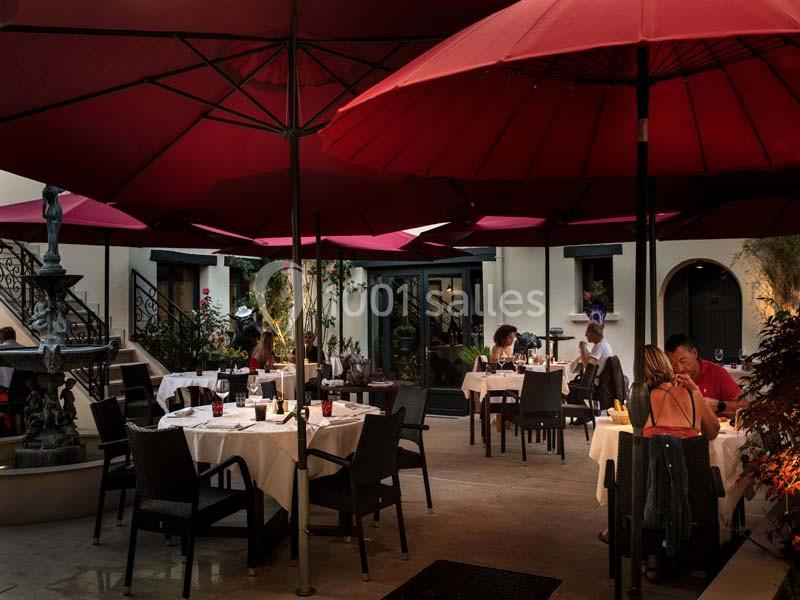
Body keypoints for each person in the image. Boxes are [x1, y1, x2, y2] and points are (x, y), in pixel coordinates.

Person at [644, 345, 719, 441]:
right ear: (666, 363)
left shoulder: (642, 399)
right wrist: (696, 391)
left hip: (653, 450)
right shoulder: (692, 393)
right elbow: (713, 433)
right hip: (690, 450)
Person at [665, 334, 743, 418]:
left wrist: (719, 405)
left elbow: (744, 406)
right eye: (673, 364)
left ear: (694, 352)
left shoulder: (716, 373)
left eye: (683, 361)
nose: (679, 369)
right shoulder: (669, 377)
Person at [0, 327, 24, 433]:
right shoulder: (25, 349)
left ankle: (6, 429)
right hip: (24, 395)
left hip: (5, 395)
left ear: (1, 337)